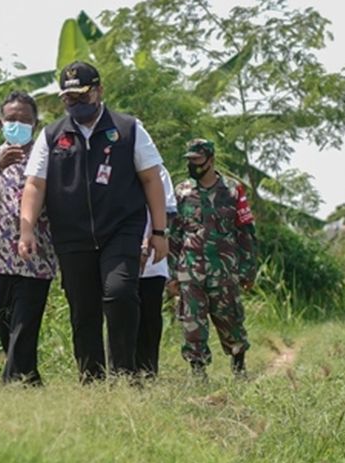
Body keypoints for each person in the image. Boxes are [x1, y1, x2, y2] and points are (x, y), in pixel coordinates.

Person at [17, 61, 168, 381]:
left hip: (121, 229)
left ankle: (125, 373)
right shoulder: (52, 136)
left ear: (98, 91)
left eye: (82, 96)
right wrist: (26, 228)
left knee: (120, 292)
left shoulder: (129, 129)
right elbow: (35, 184)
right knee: (83, 310)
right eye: (69, 99)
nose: (76, 104)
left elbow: (152, 180)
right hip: (72, 236)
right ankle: (92, 379)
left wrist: (159, 231)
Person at [0, 91, 57, 384]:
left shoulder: (47, 159)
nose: (17, 124)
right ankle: (30, 382)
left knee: (24, 327)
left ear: (35, 122)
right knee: (6, 328)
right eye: (11, 119)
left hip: (35, 260)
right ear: (1, 122)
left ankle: (11, 385)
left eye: (24, 120)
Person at [167, 138, 258, 379]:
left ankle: (239, 367)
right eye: (190, 160)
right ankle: (198, 372)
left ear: (210, 159)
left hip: (224, 269)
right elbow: (174, 235)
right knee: (192, 322)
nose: (193, 165)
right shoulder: (182, 192)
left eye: (197, 160)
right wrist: (171, 275)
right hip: (190, 269)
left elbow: (245, 232)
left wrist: (248, 270)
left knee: (231, 320)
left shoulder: (232, 191)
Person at [136, 163, 178, 378]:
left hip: (153, 256)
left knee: (150, 315)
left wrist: (153, 237)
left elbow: (168, 209)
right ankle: (124, 369)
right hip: (120, 254)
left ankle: (148, 370)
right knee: (122, 313)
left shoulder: (159, 170)